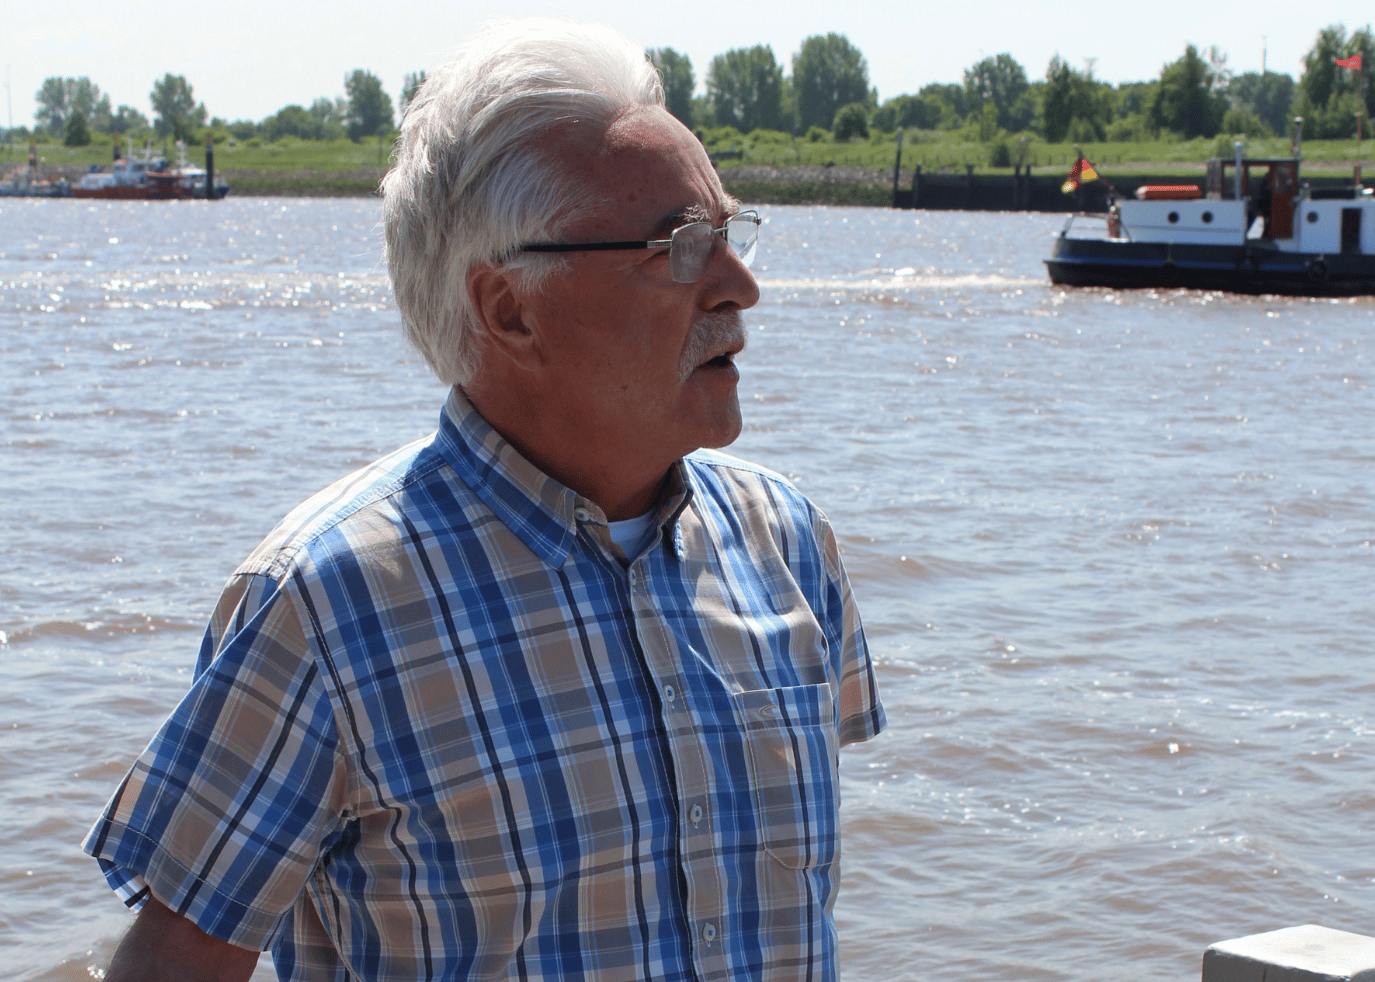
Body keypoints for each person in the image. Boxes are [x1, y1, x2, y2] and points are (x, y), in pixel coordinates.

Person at [84, 19, 885, 982]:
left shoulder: (787, 542)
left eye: (729, 233)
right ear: (509, 308)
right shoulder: (326, 605)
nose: (740, 286)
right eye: (681, 246)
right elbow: (175, 962)